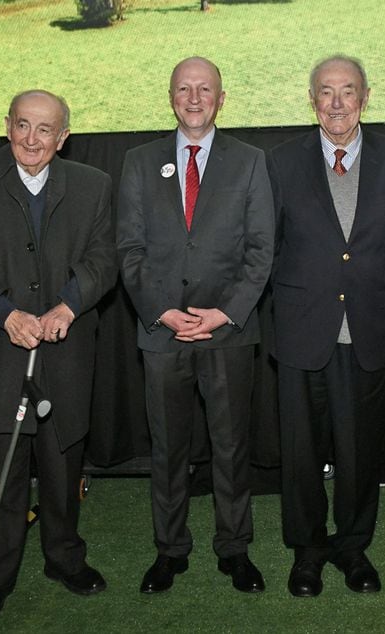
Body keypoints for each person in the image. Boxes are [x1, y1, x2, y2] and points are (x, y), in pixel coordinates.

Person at [0, 90, 117, 620]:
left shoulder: (93, 185)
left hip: (66, 353)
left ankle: (64, 558)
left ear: (64, 138)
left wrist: (69, 306)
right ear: (6, 126)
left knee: (63, 471)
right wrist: (4, 313)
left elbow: (105, 258)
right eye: (22, 125)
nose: (31, 139)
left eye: (45, 130)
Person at [117, 57, 274, 594]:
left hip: (228, 333)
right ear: (170, 96)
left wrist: (225, 312)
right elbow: (129, 249)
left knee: (231, 448)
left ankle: (234, 549)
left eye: (204, 89)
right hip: (161, 334)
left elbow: (261, 250)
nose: (193, 97)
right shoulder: (139, 162)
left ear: (221, 98)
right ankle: (170, 550)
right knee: (168, 449)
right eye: (183, 88)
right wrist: (163, 310)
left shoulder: (250, 161)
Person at [268, 56, 385, 597]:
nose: (336, 103)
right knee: (301, 454)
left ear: (365, 98)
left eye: (347, 92)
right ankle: (306, 553)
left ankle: (353, 548)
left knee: (359, 453)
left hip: (369, 331)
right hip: (303, 331)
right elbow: (269, 246)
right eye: (325, 92)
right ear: (311, 99)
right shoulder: (281, 162)